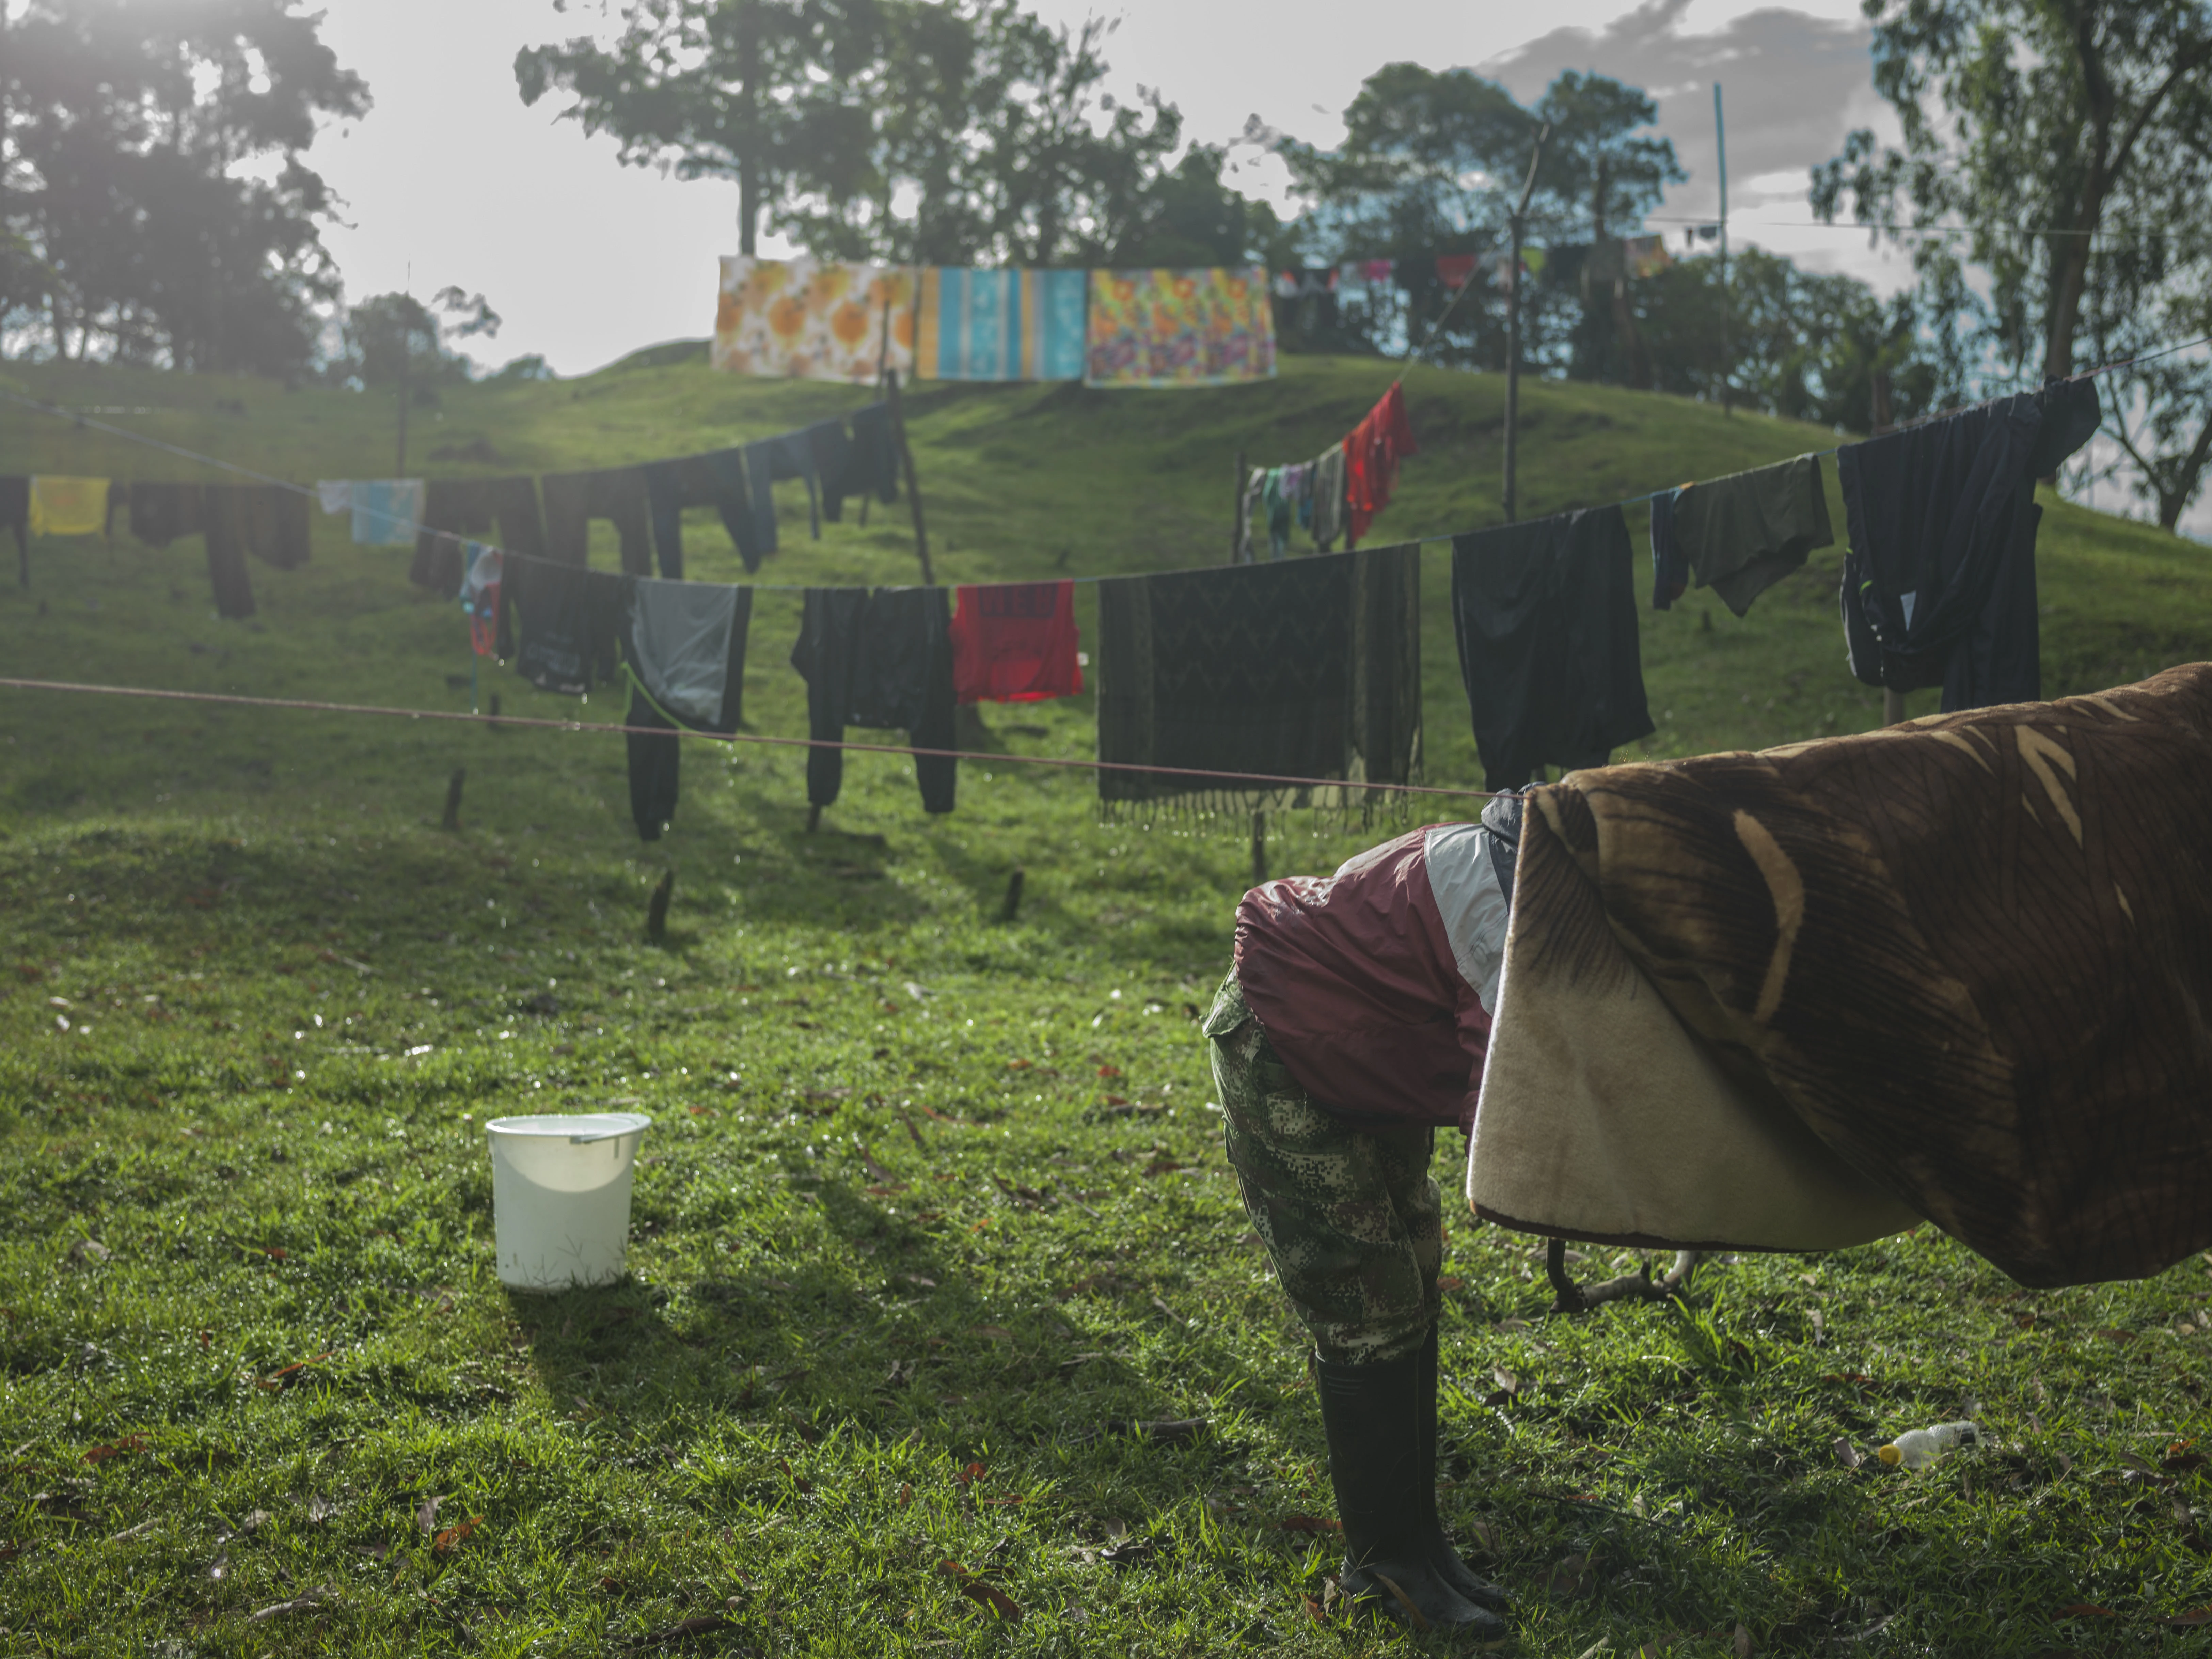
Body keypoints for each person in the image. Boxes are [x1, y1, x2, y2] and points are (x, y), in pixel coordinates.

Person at [1202, 794, 1522, 1634]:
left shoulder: (1513, 866)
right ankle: (1382, 1565)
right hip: (1286, 1044)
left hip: (1367, 1058)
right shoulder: (1497, 911)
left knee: (1413, 1277)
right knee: (1364, 1303)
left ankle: (1421, 1545)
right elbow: (1509, 1102)